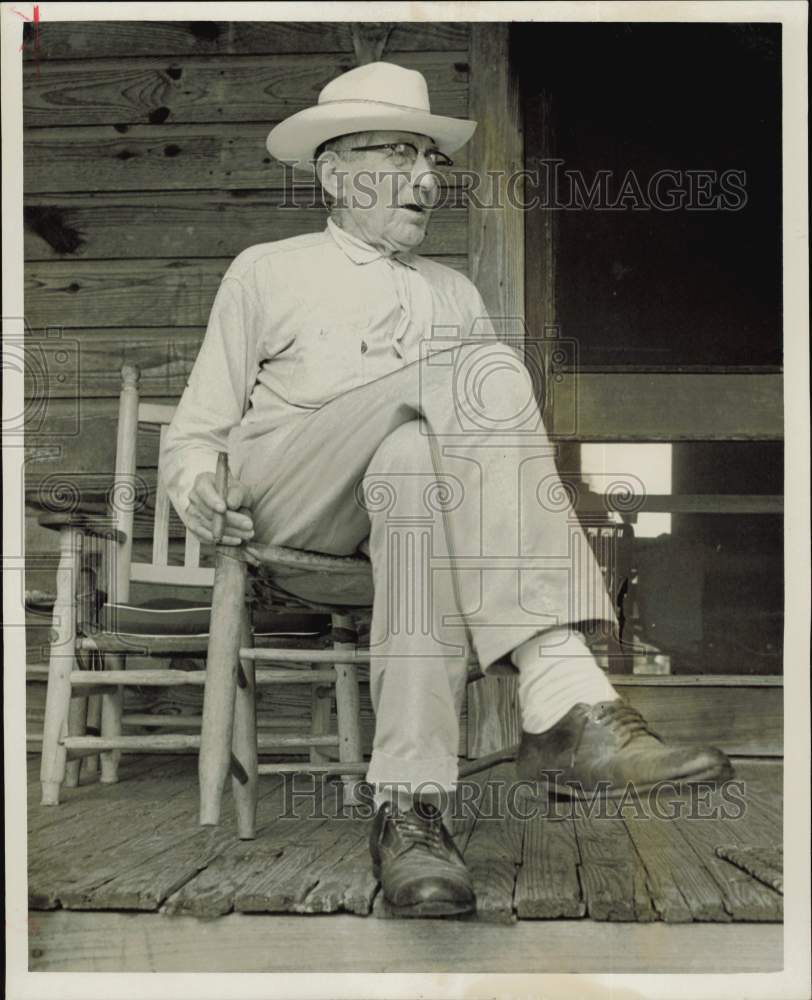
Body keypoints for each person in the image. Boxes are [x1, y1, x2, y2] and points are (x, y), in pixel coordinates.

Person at [162, 61, 733, 918]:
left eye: (432, 161)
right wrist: (197, 481)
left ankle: (412, 811)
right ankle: (562, 689)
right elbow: (198, 427)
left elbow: (465, 454)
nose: (427, 179)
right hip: (287, 496)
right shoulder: (267, 270)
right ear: (333, 169)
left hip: (396, 515)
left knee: (412, 470)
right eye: (400, 154)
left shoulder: (452, 290)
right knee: (477, 372)